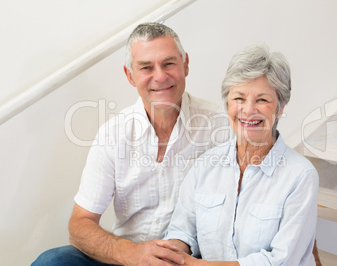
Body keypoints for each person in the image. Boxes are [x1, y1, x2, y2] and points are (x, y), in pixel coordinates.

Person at [32, 22, 229, 265]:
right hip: (127, 258)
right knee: (53, 261)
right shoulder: (112, 135)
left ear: (185, 64)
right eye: (146, 67)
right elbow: (79, 224)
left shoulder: (224, 126)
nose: (160, 76)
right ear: (130, 75)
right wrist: (130, 253)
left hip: (193, 259)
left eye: (169, 63)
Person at [164, 44, 319, 265]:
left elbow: (281, 261)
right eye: (239, 98)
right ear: (227, 104)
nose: (248, 110)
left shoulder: (301, 175)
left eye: (262, 100)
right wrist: (173, 253)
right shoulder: (206, 165)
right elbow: (182, 230)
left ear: (280, 109)